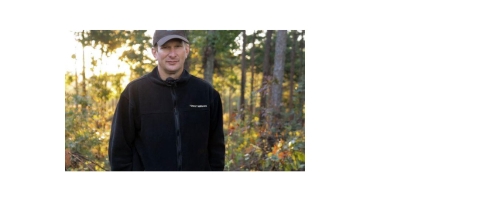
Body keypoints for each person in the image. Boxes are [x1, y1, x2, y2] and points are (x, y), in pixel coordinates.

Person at [108, 30, 225, 171]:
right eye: (165, 47)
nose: (172, 54)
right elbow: (119, 149)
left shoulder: (206, 93)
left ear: (186, 50)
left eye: (177, 46)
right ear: (154, 52)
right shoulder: (134, 93)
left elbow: (216, 147)